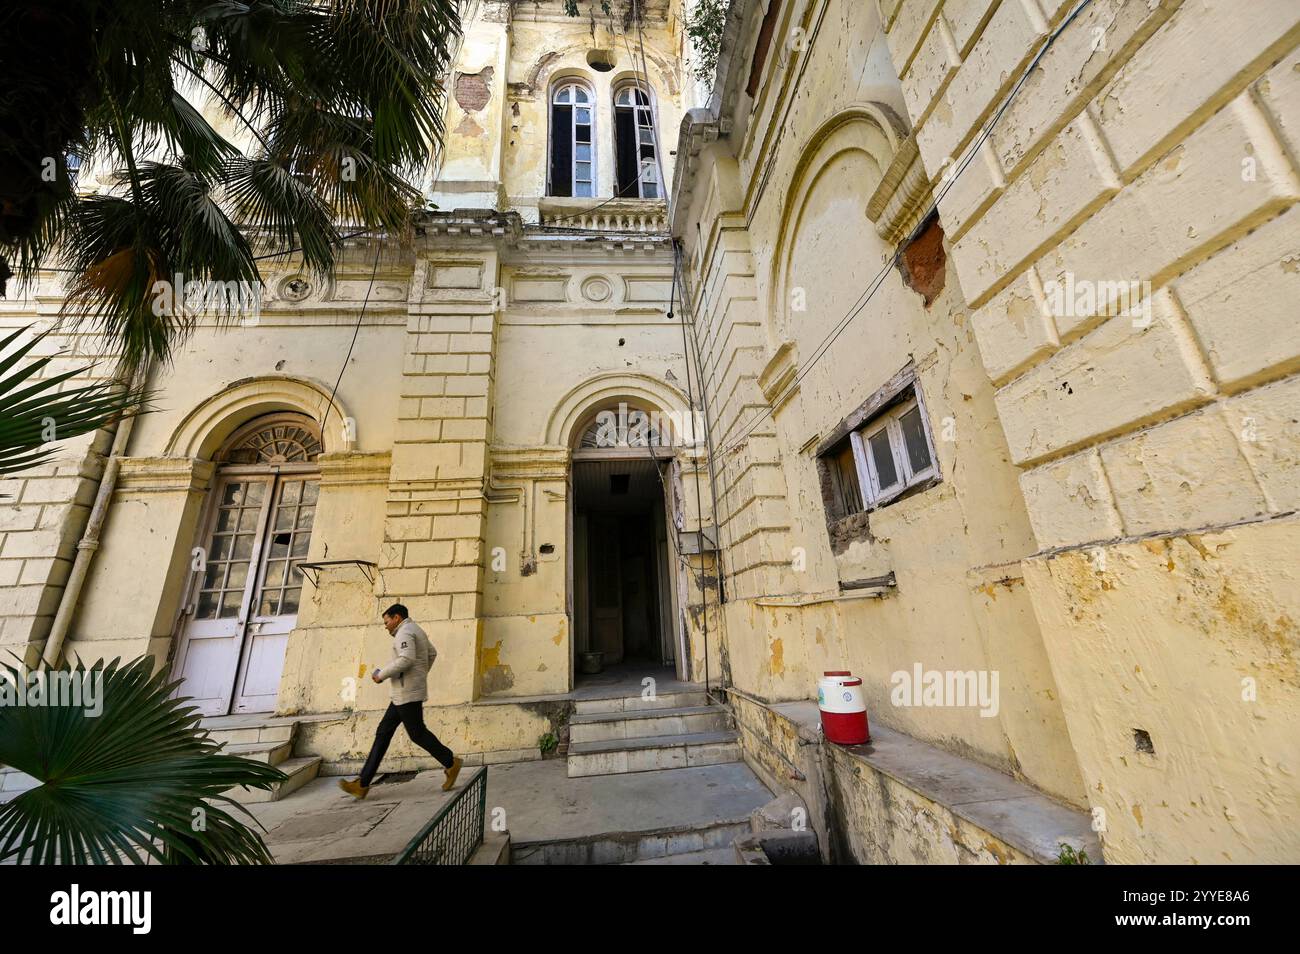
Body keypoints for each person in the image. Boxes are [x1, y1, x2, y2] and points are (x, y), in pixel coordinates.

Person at [338, 604, 462, 799]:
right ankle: (362, 784)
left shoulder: (404, 632)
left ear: (396, 617)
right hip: (404, 693)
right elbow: (432, 653)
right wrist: (419, 677)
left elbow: (406, 659)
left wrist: (382, 675)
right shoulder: (415, 629)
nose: (385, 626)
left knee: (417, 734)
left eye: (386, 622)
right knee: (384, 733)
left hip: (406, 694)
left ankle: (451, 762)